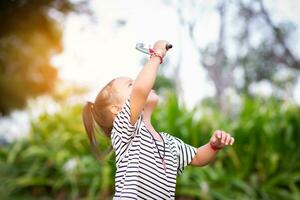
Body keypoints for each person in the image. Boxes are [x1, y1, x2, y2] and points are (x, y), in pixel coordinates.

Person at [82, 40, 235, 199]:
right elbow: (141, 90)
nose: (139, 84)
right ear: (117, 110)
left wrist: (213, 146)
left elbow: (197, 157)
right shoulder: (124, 131)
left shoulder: (169, 142)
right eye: (130, 85)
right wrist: (156, 55)